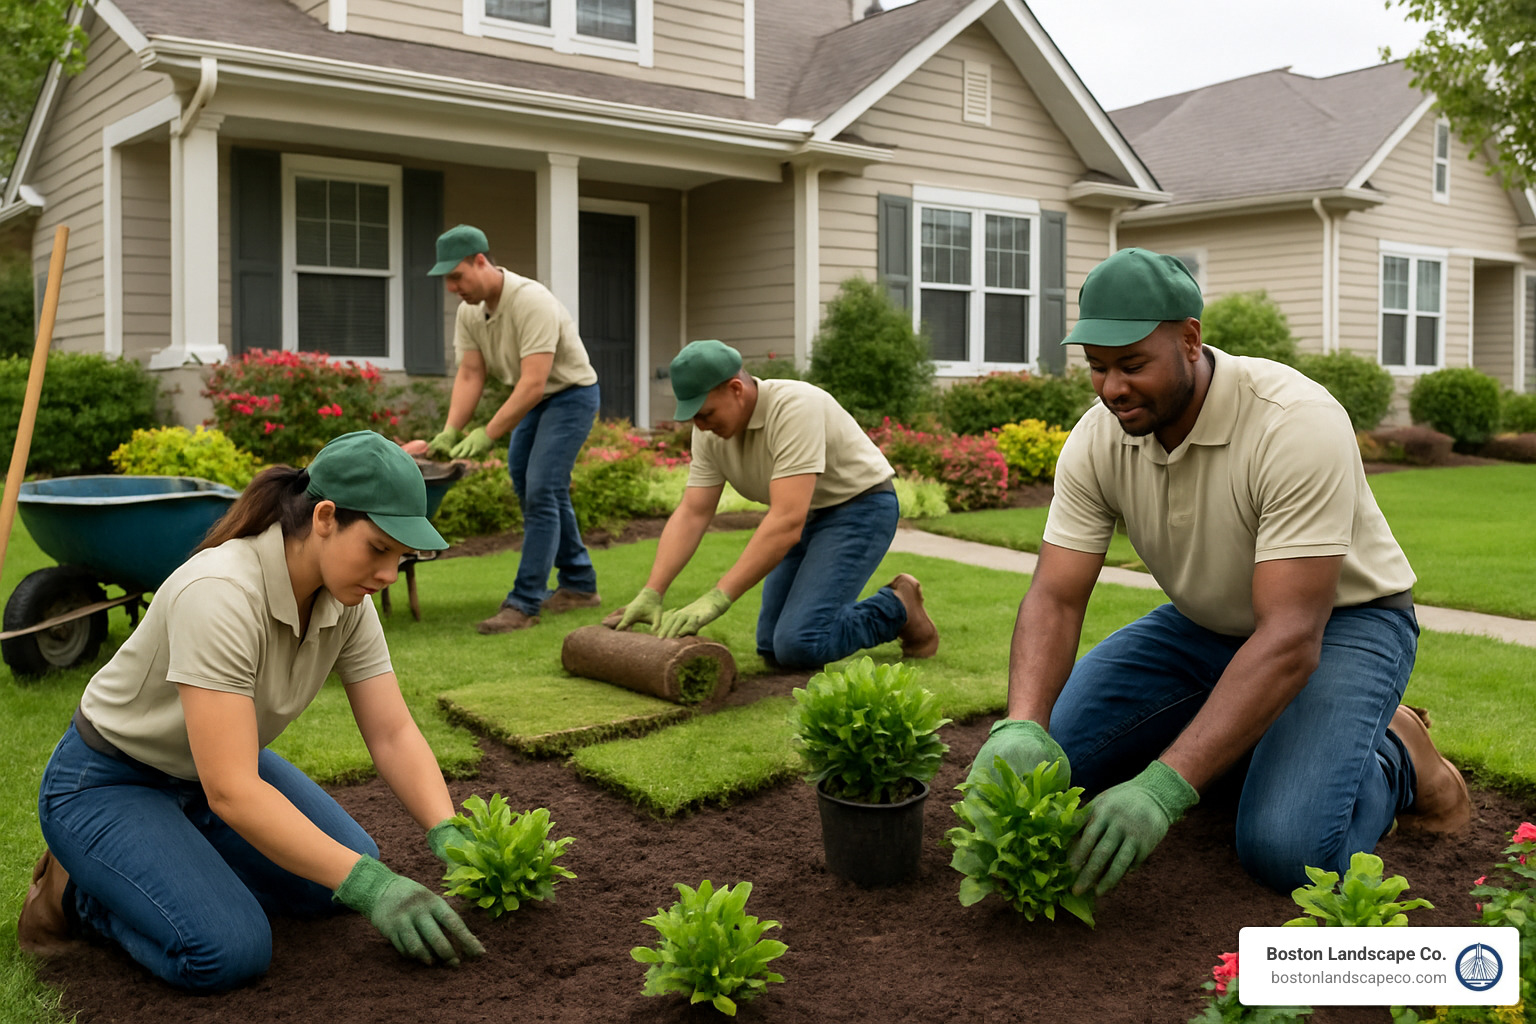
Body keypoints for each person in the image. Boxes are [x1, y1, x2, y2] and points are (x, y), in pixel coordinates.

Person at [966, 248, 1470, 898]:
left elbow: (1289, 634)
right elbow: (1057, 597)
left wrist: (1163, 785)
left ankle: (1398, 755)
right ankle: (1265, 738)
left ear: (1190, 339)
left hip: (1343, 623)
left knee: (1285, 849)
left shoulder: (1293, 423)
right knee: (1047, 770)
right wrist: (1024, 722)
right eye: (1097, 367)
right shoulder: (1098, 438)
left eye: (1132, 365)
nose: (1112, 387)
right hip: (1203, 626)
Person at [18, 431, 484, 991]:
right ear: (326, 517)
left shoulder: (347, 601)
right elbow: (234, 790)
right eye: (379, 548)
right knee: (228, 951)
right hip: (111, 781)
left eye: (401, 556)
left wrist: (446, 829)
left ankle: (171, 853)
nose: (389, 573)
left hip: (209, 775)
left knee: (346, 865)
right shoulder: (219, 592)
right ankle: (78, 895)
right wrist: (375, 888)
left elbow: (391, 732)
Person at [614, 339, 938, 670]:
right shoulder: (708, 433)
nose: (700, 425)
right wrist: (652, 591)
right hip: (810, 513)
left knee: (801, 643)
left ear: (736, 389)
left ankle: (898, 607)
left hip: (861, 508)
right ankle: (879, 612)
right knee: (771, 646)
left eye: (705, 413)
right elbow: (693, 512)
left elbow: (785, 521)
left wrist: (715, 599)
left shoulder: (796, 407)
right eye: (693, 417)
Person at [425, 224, 601, 634]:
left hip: (571, 395)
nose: (453, 287)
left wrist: (487, 433)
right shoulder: (470, 312)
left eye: (457, 276)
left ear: (481, 261)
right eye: (447, 280)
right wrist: (452, 429)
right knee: (532, 484)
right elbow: (470, 374)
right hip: (536, 400)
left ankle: (524, 603)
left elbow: (533, 383)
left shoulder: (531, 301)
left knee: (542, 487)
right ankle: (579, 583)